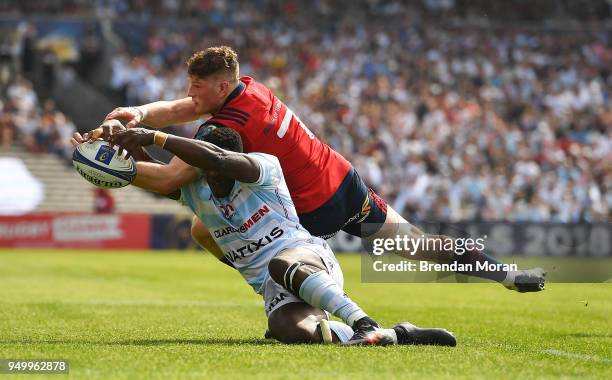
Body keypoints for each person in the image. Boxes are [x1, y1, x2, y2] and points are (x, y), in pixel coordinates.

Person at [77, 46, 545, 292]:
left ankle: (276, 290)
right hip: (342, 180)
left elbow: (169, 177)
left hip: (306, 209)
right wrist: (136, 114)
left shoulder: (233, 122)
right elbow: (177, 109)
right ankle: (506, 274)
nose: (191, 95)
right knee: (420, 244)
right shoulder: (247, 90)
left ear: (221, 85)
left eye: (198, 88)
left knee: (204, 228)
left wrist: (115, 168)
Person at [107, 125, 457, 346]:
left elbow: (219, 160)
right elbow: (153, 174)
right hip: (274, 286)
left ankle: (364, 321)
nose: (210, 177)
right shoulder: (195, 187)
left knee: (280, 262)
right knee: (290, 332)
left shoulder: (262, 167)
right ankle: (400, 334)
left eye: (214, 168)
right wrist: (115, 147)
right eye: (203, 171)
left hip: (306, 257)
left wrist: (154, 134)